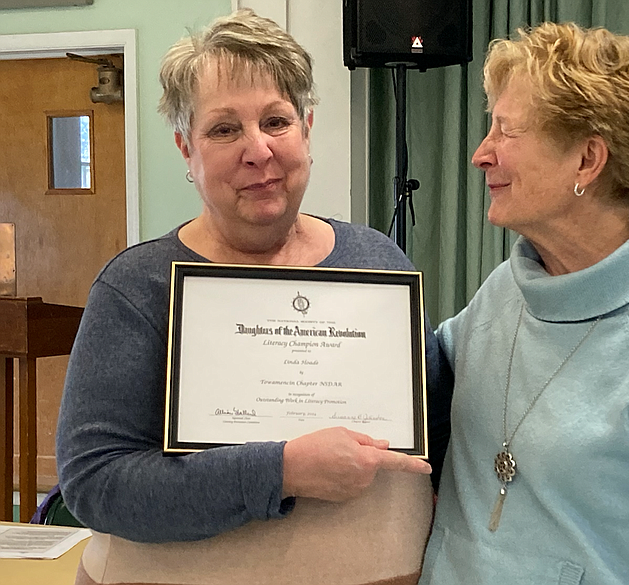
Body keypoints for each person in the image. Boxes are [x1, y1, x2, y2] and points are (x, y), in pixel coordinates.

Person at [56, 10, 447, 585]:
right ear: (186, 149)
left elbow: (437, 437)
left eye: (276, 121)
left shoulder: (378, 262)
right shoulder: (137, 287)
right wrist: (282, 470)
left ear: (307, 129)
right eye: (223, 129)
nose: (258, 150)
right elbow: (94, 484)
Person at [420, 22, 629, 585]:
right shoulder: (508, 288)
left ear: (587, 161)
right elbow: (410, 380)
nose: (482, 154)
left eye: (506, 131)